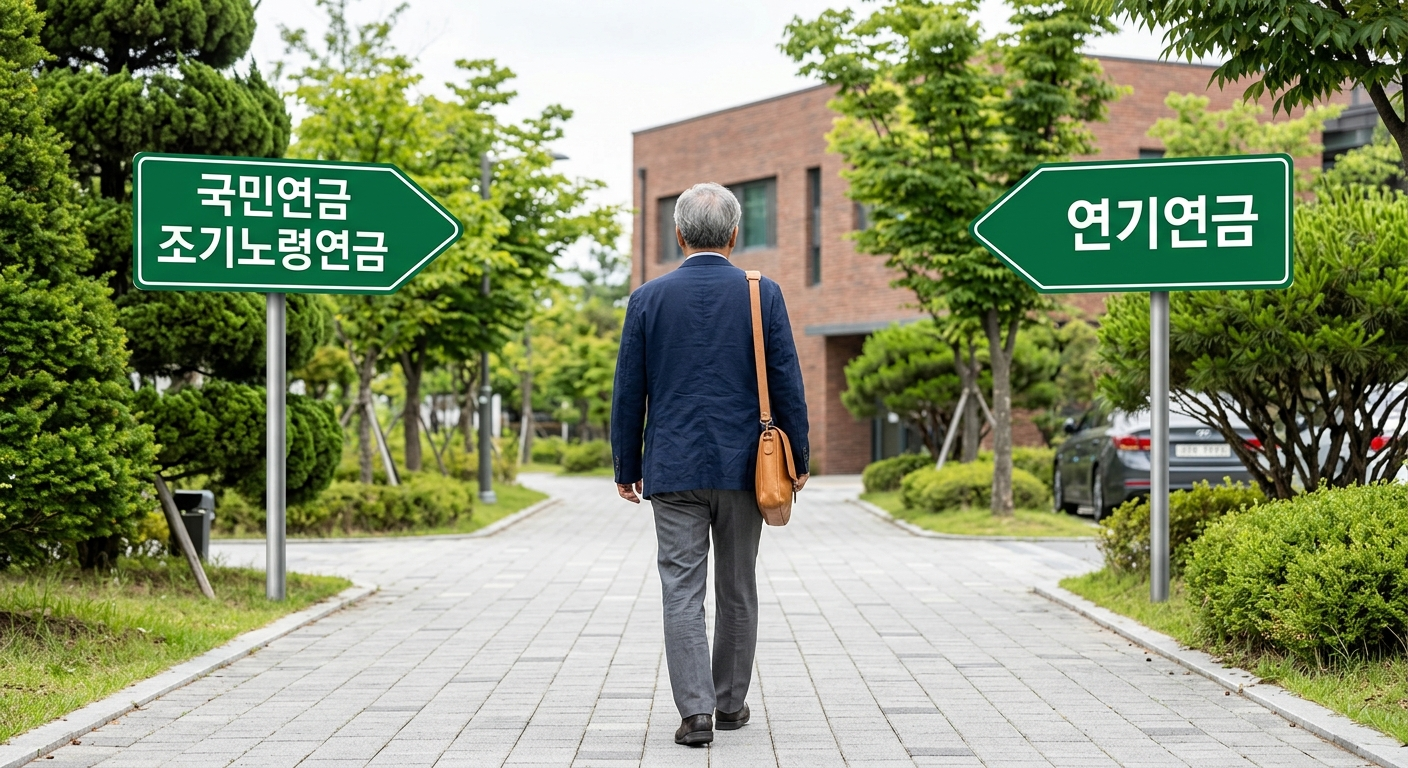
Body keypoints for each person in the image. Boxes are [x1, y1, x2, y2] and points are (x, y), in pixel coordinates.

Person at [610, 182, 810, 747]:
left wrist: (627, 463)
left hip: (672, 469)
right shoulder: (761, 293)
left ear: (678, 235)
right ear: (734, 234)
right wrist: (801, 457)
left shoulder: (647, 298)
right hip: (747, 467)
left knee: (680, 587)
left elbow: (629, 390)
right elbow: (788, 382)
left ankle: (695, 713)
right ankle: (730, 703)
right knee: (738, 586)